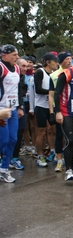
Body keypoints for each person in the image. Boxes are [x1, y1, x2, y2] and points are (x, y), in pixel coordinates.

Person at [0, 44, 24, 183]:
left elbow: (19, 89)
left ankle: (4, 170)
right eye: (14, 55)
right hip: (1, 110)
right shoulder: (1, 67)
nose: (17, 57)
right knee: (3, 140)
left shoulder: (16, 68)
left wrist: (20, 106)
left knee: (13, 140)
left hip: (13, 109)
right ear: (5, 55)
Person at [33, 53, 59, 167]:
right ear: (48, 62)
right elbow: (38, 89)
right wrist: (51, 92)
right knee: (42, 132)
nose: (56, 64)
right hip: (41, 106)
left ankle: (54, 151)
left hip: (51, 106)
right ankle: (40, 155)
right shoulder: (40, 72)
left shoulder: (54, 74)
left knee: (54, 130)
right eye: (55, 62)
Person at [49, 52, 72, 172]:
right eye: (67, 59)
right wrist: (52, 111)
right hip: (59, 109)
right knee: (59, 135)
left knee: (72, 136)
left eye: (70, 59)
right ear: (61, 61)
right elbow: (51, 95)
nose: (69, 61)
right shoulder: (54, 75)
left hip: (71, 110)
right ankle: (59, 159)